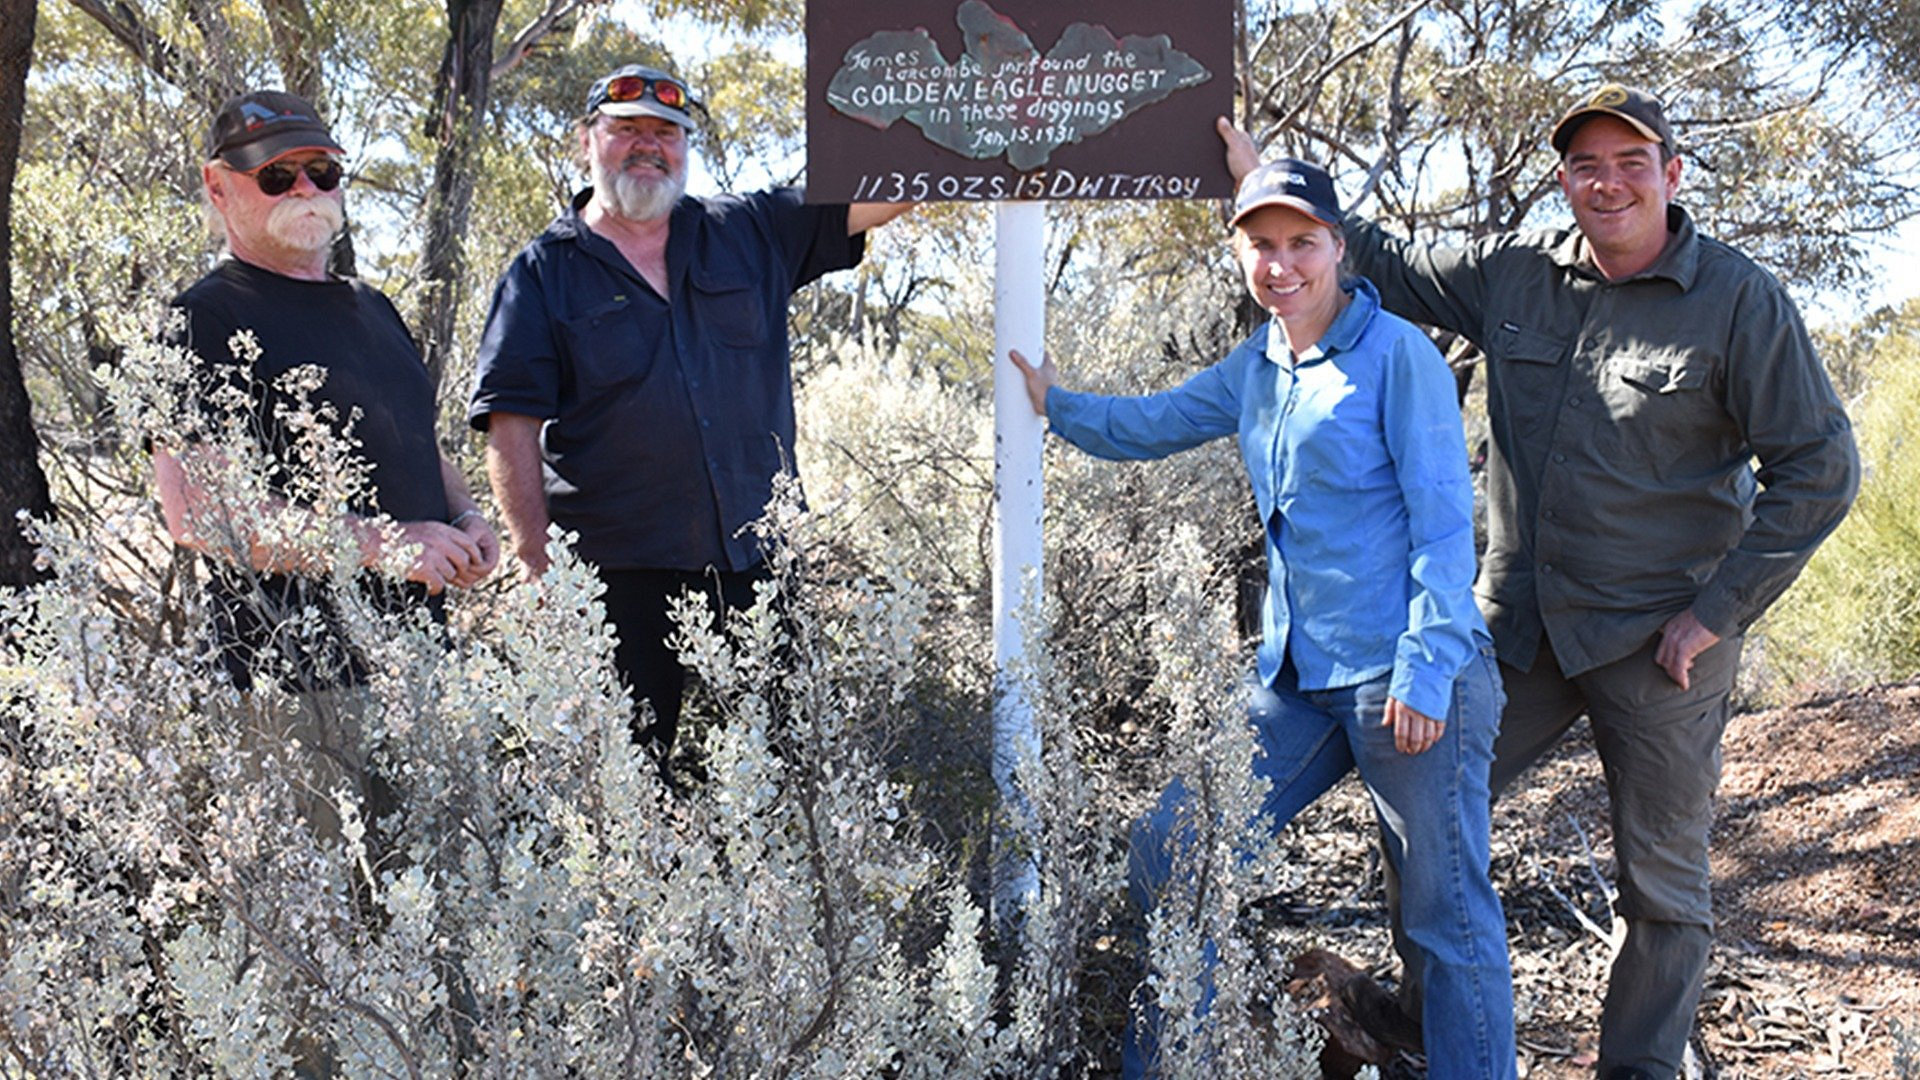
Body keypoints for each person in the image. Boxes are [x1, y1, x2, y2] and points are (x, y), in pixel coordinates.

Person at [1222, 84, 1860, 1079]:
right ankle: (1427, 1035)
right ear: (1564, 180)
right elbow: (1380, 257)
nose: (1608, 184)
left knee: (1664, 893)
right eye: (1585, 166)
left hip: (1662, 646)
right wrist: (1266, 183)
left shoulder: (1741, 303)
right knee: (1424, 825)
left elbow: (1820, 469)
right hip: (1515, 631)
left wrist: (1714, 614)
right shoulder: (1515, 277)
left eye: (1631, 163)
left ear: (1672, 175)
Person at [1010, 159, 1516, 1079]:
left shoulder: (1398, 355)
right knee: (1173, 843)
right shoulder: (1261, 363)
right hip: (1298, 680)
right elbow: (1155, 422)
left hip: (1408, 676)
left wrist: (1428, 665)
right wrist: (1057, 405)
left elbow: (1446, 526)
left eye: (1301, 244)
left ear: (1339, 248)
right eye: (1261, 246)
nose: (1281, 265)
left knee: (1444, 921)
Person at [467, 64, 908, 761]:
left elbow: (880, 199)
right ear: (587, 141)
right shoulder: (542, 271)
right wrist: (537, 567)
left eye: (666, 131)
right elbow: (509, 424)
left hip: (757, 564)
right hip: (616, 579)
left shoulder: (752, 230)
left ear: (685, 145)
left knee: (783, 782)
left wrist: (898, 125)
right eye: (626, 130)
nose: (648, 145)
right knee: (623, 788)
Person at [152, 89, 500, 843]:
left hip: (418, 670)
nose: (305, 189)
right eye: (276, 176)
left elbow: (422, 441)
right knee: (325, 942)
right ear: (218, 187)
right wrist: (385, 545)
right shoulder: (200, 320)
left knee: (433, 920)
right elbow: (197, 515)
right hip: (296, 689)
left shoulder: (373, 308)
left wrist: (465, 517)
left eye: (322, 170)